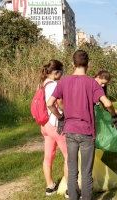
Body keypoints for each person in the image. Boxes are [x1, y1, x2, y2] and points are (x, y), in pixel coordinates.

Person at [47, 50, 117, 200]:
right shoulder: (92, 83)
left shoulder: (64, 81)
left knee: (72, 170)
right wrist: (114, 116)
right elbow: (107, 103)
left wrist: (61, 118)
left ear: (72, 63)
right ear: (88, 64)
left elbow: (50, 103)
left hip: (70, 131)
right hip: (86, 132)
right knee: (86, 172)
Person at [40, 60, 67, 196]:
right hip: (56, 125)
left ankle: (50, 186)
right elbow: (57, 104)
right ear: (56, 72)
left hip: (45, 125)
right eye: (62, 71)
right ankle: (69, 189)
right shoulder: (55, 85)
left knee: (48, 156)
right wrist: (62, 115)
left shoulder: (42, 83)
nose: (63, 74)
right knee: (69, 156)